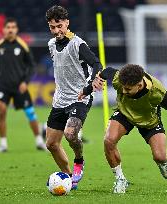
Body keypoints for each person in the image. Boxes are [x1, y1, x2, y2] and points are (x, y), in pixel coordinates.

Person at [78, 64, 167, 194]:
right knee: (109, 140)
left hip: (149, 121)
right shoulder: (119, 79)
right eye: (123, 88)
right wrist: (87, 90)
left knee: (160, 157)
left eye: (128, 89)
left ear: (139, 85)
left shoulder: (156, 91)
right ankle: (120, 179)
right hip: (124, 114)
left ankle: (163, 163)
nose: (124, 91)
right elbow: (106, 71)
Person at [45, 5, 102, 190]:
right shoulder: (51, 45)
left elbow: (97, 64)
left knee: (70, 135)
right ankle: (69, 178)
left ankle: (79, 160)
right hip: (59, 100)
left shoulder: (78, 44)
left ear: (67, 23)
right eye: (53, 27)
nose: (56, 31)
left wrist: (91, 83)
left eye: (59, 26)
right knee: (52, 144)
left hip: (79, 98)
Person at [0, 18, 46, 153]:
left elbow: (32, 66)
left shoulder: (23, 46)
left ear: (16, 30)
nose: (10, 29)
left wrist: (26, 82)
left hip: (20, 86)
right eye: (8, 27)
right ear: (3, 30)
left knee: (30, 113)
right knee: (1, 111)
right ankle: (3, 144)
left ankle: (39, 141)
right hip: (3, 86)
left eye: (13, 27)